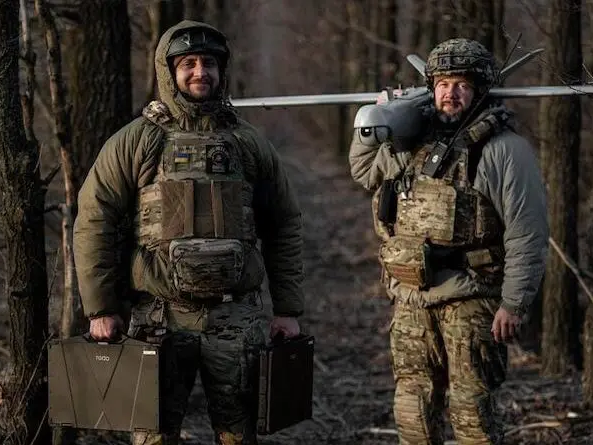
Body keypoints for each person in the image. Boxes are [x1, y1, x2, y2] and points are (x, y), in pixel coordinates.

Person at [73, 20, 304, 445]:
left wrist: (287, 308)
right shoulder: (136, 141)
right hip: (159, 318)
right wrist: (100, 307)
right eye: (189, 63)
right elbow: (94, 220)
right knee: (152, 435)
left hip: (236, 320)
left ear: (222, 70)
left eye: (210, 63)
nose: (201, 72)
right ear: (169, 71)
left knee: (239, 435)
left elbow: (284, 222)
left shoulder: (248, 143)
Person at [349, 38, 548, 444]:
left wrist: (514, 302)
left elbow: (527, 230)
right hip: (410, 299)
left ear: (479, 90)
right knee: (412, 407)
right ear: (430, 88)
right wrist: (376, 117)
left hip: (471, 299)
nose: (450, 93)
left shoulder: (505, 150)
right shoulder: (409, 143)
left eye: (461, 84)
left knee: (472, 410)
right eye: (442, 83)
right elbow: (364, 171)